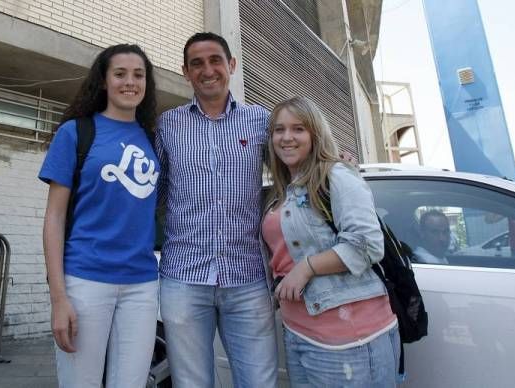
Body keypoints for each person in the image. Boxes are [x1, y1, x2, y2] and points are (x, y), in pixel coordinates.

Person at [155, 32, 277, 387]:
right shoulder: (168, 125)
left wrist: (336, 161)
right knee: (192, 383)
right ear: (185, 72)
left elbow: (294, 168)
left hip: (248, 277)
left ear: (231, 65)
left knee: (258, 381)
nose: (207, 70)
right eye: (197, 64)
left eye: (215, 61)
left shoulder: (260, 121)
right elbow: (155, 192)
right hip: (183, 279)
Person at [39, 44, 160, 387]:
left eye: (139, 75)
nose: (130, 82)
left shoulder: (153, 138)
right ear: (104, 81)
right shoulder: (76, 133)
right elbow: (54, 219)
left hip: (142, 284)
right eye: (120, 74)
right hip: (85, 280)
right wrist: (59, 298)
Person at [262, 96, 400, 387]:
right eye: (279, 129)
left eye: (298, 129)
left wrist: (306, 268)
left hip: (350, 338)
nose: (287, 137)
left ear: (315, 133)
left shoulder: (336, 175)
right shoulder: (281, 192)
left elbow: (367, 243)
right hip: (299, 332)